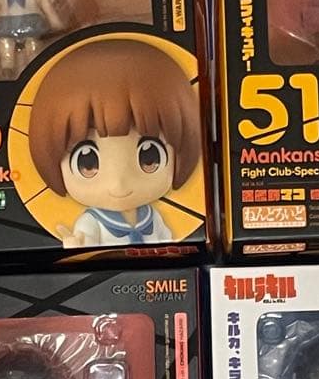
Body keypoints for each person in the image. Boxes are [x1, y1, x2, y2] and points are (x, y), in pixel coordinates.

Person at [28, 39, 201, 247]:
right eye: (87, 163)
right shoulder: (91, 221)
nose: (119, 184)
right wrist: (76, 245)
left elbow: (168, 240)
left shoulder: (152, 217)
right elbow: (88, 245)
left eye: (149, 158)